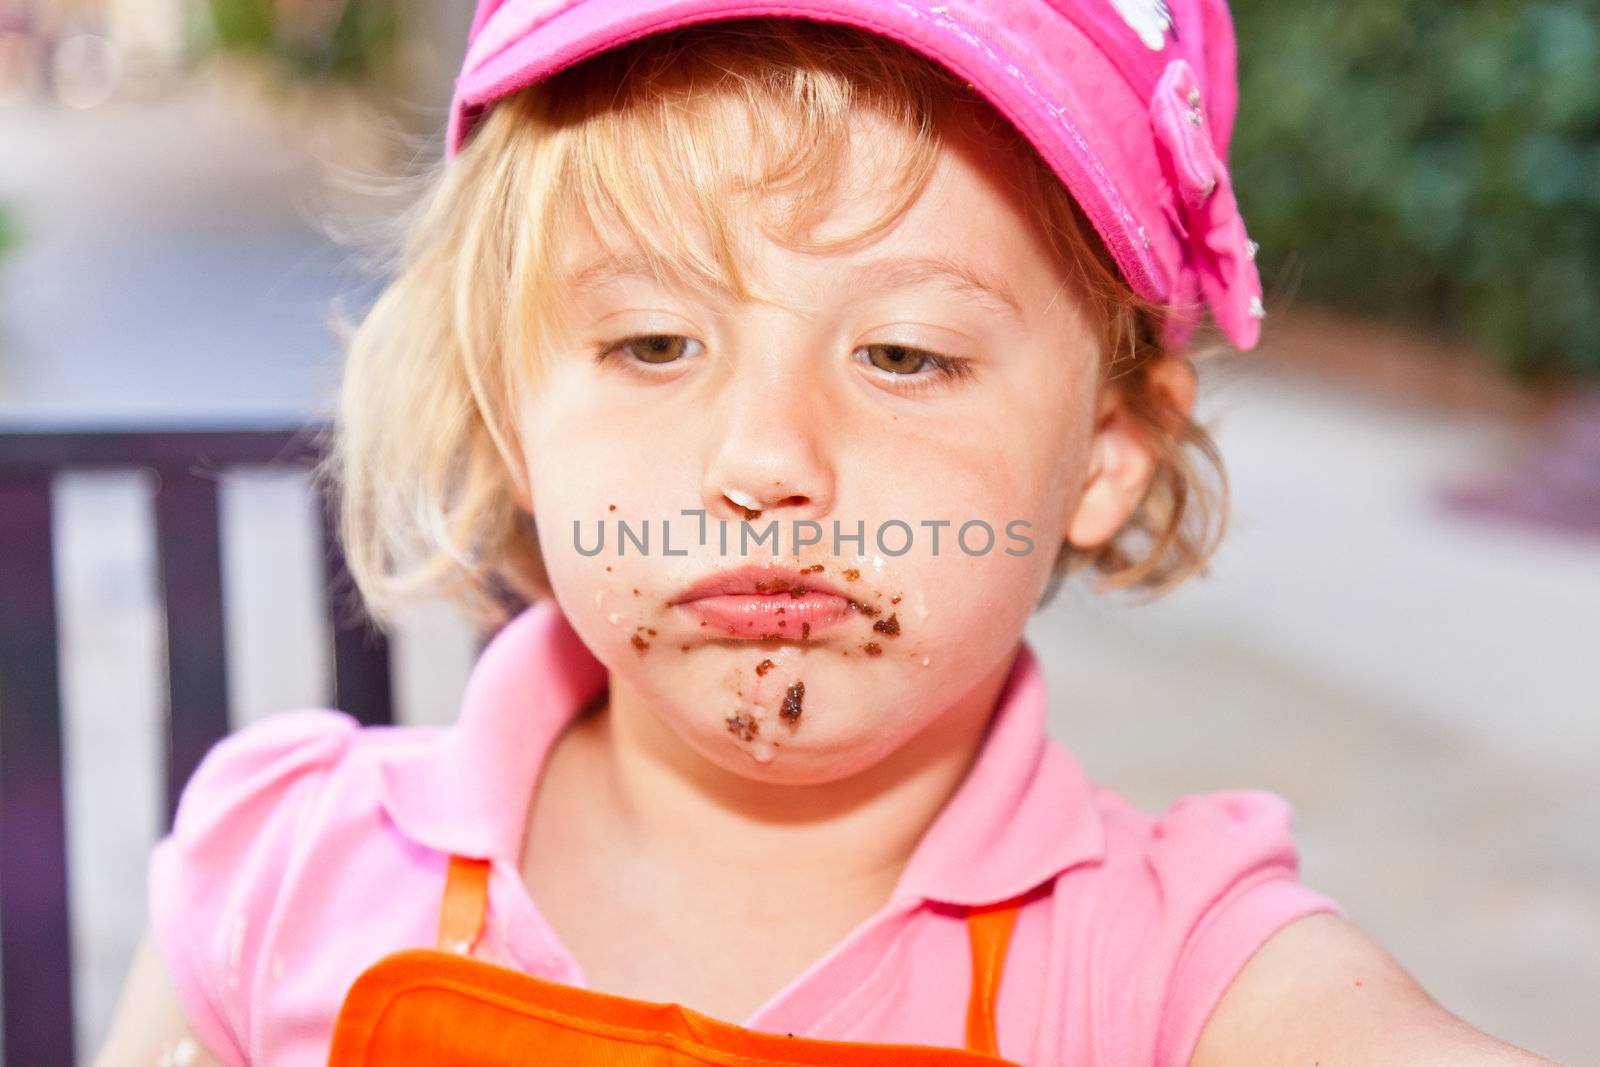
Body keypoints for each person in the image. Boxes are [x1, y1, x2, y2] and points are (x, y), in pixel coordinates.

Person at [94, 2, 1562, 1064]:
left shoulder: (1172, 974)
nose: (766, 461)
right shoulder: (278, 876)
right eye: (655, 344)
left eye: (907, 356)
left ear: (1108, 451)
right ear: (511, 414)